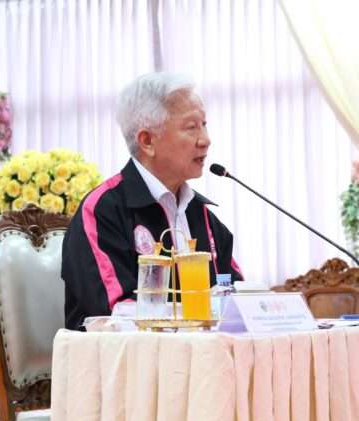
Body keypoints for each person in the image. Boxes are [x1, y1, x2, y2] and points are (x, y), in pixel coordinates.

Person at [62, 72, 243, 330]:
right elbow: (113, 314)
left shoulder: (202, 216)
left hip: (202, 354)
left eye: (204, 124)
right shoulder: (103, 211)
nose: (205, 140)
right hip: (128, 356)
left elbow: (235, 296)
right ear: (147, 141)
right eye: (191, 127)